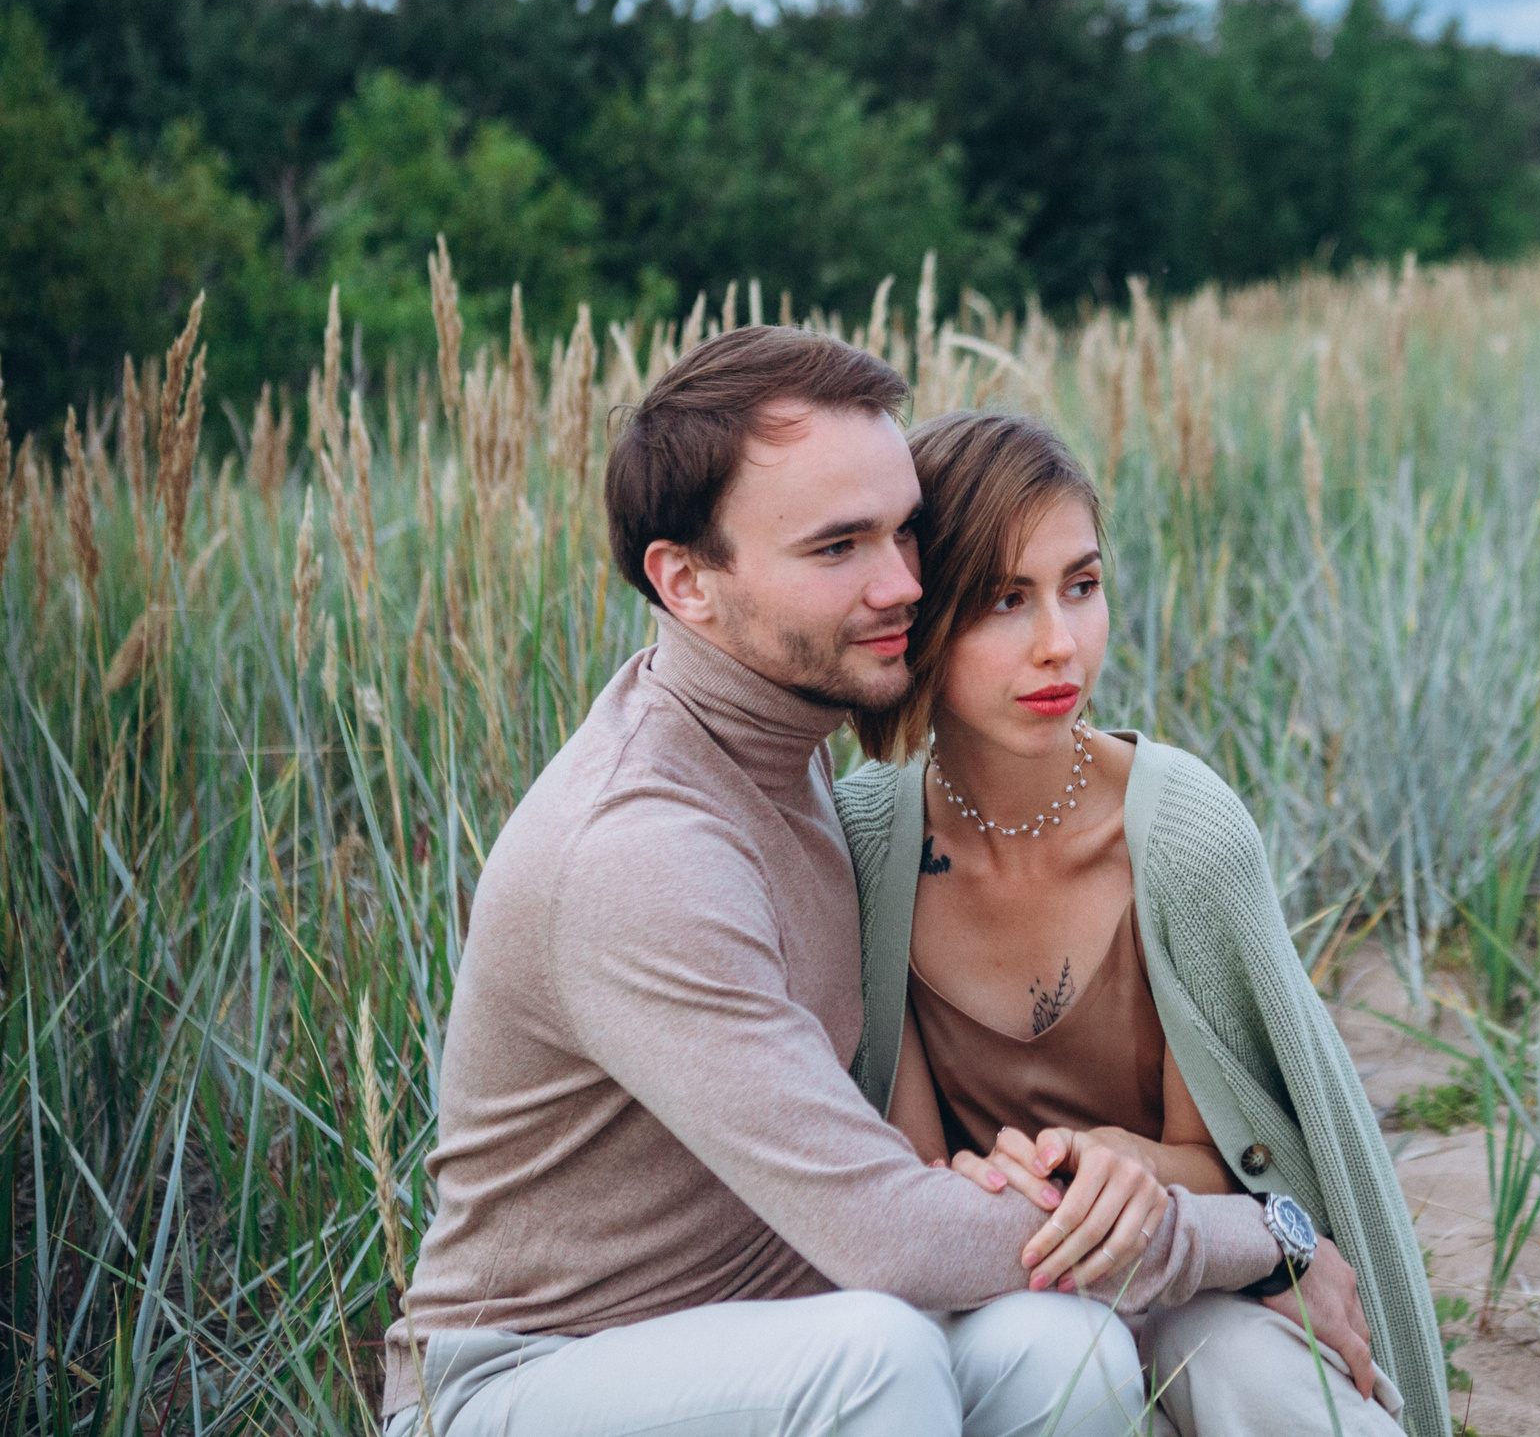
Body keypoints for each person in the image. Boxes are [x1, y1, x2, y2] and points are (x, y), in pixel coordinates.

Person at [385, 329, 1344, 1437]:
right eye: (838, 546)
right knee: (874, 1355)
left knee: (1060, 1347)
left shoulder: (794, 757)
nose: (902, 585)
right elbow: (892, 1239)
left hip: (761, 1326)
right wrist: (1259, 1241)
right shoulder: (637, 850)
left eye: (903, 532)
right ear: (686, 581)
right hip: (533, 1378)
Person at [832, 410, 1449, 1437]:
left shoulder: (1181, 831)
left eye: (1082, 585)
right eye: (1002, 600)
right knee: (1060, 1364)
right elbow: (912, 1181)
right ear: (922, 614)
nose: (1059, 645)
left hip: (1197, 1271)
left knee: (1260, 1378)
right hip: (1000, 1297)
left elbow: (1237, 1156)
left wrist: (1126, 1162)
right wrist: (1012, 1187)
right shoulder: (865, 841)